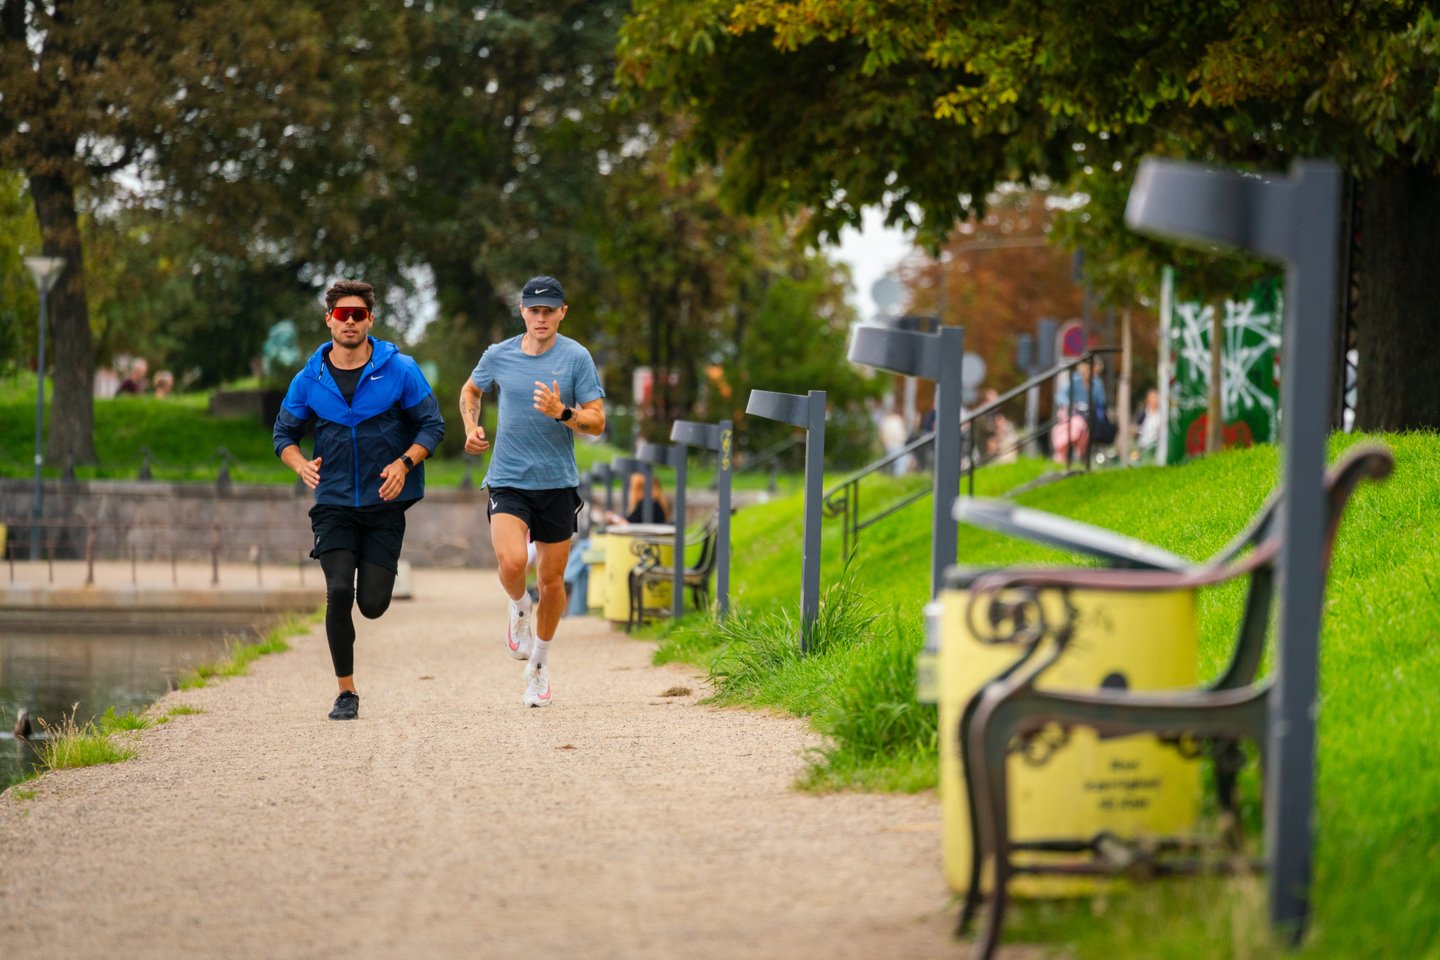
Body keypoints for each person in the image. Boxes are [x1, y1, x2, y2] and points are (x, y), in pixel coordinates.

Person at [272, 279, 445, 721]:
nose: (350, 322)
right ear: (328, 318)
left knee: (372, 603)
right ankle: (346, 691)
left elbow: (432, 427)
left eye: (358, 314)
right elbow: (284, 435)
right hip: (332, 502)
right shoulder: (309, 379)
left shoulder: (400, 369)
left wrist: (404, 463)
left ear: (370, 319)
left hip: (384, 504)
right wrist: (299, 465)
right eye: (342, 314)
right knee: (336, 590)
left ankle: (368, 609)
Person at [460, 275, 606, 708]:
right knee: (511, 563)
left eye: (549, 310)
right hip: (507, 478)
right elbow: (472, 389)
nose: (541, 317)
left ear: (563, 312)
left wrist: (563, 412)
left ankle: (539, 665)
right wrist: (471, 426)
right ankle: (518, 606)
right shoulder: (499, 355)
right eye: (533, 310)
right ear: (522, 311)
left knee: (552, 581)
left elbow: (597, 422)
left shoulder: (576, 357)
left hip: (557, 484)